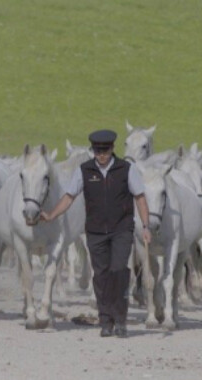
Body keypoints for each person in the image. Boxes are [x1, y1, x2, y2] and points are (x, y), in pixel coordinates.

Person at [40, 129, 152, 338]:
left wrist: (145, 226)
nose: (101, 155)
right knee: (100, 275)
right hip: (95, 231)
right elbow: (69, 197)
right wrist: (52, 215)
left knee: (118, 271)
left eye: (105, 150)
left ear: (112, 149)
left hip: (121, 229)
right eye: (97, 151)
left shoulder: (127, 169)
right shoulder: (84, 171)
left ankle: (120, 320)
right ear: (92, 150)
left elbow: (140, 197)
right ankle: (106, 321)